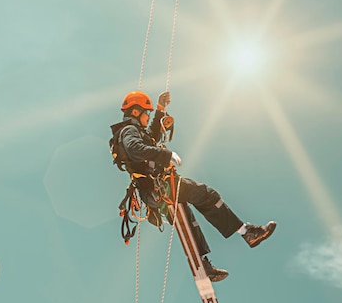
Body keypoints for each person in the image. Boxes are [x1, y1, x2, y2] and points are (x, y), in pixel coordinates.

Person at [110, 90, 276, 282]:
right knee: (206, 194)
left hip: (155, 193)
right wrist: (166, 155)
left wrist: (160, 110)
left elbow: (151, 137)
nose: (148, 117)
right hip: (159, 188)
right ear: (137, 112)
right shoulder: (129, 132)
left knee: (187, 222)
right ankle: (247, 232)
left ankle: (202, 264)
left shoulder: (132, 131)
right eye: (146, 113)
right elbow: (135, 148)